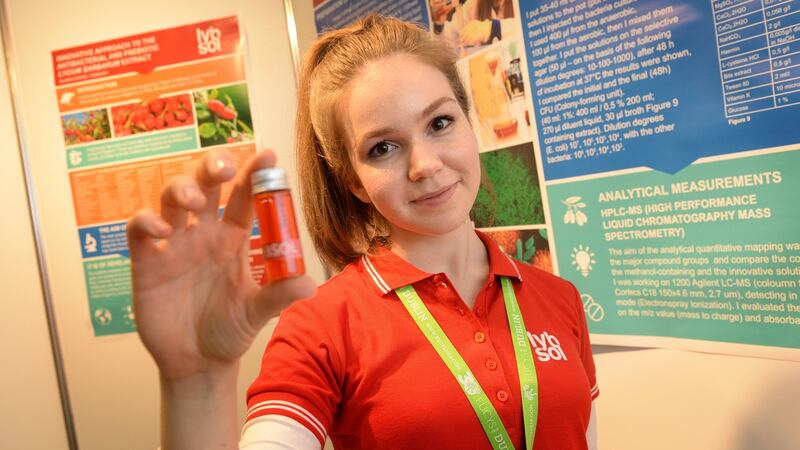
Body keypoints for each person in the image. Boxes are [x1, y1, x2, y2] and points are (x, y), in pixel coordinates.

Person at [128, 14, 598, 450]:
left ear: (468, 122)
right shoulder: (320, 323)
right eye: (383, 148)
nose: (425, 165)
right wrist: (196, 384)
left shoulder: (559, 297)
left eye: (440, 123)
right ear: (353, 180)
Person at [431, 0, 517, 50]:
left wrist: (493, 28)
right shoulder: (474, 4)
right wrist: (439, 24)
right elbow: (448, 44)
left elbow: (526, 27)